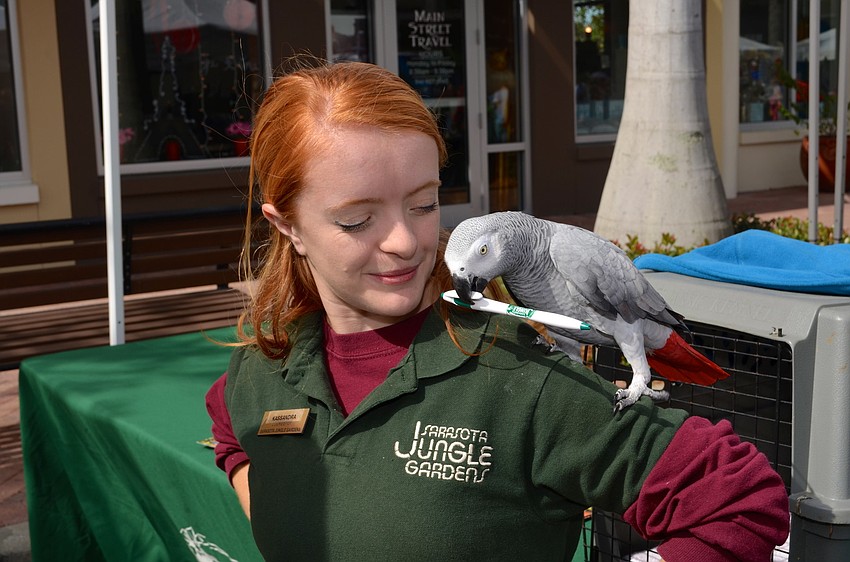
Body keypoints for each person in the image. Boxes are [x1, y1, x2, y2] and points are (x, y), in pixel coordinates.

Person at [205, 60, 789, 561]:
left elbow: (739, 500)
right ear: (287, 225)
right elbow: (230, 428)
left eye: (425, 204)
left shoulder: (524, 379)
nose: (406, 243)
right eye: (358, 219)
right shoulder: (262, 369)